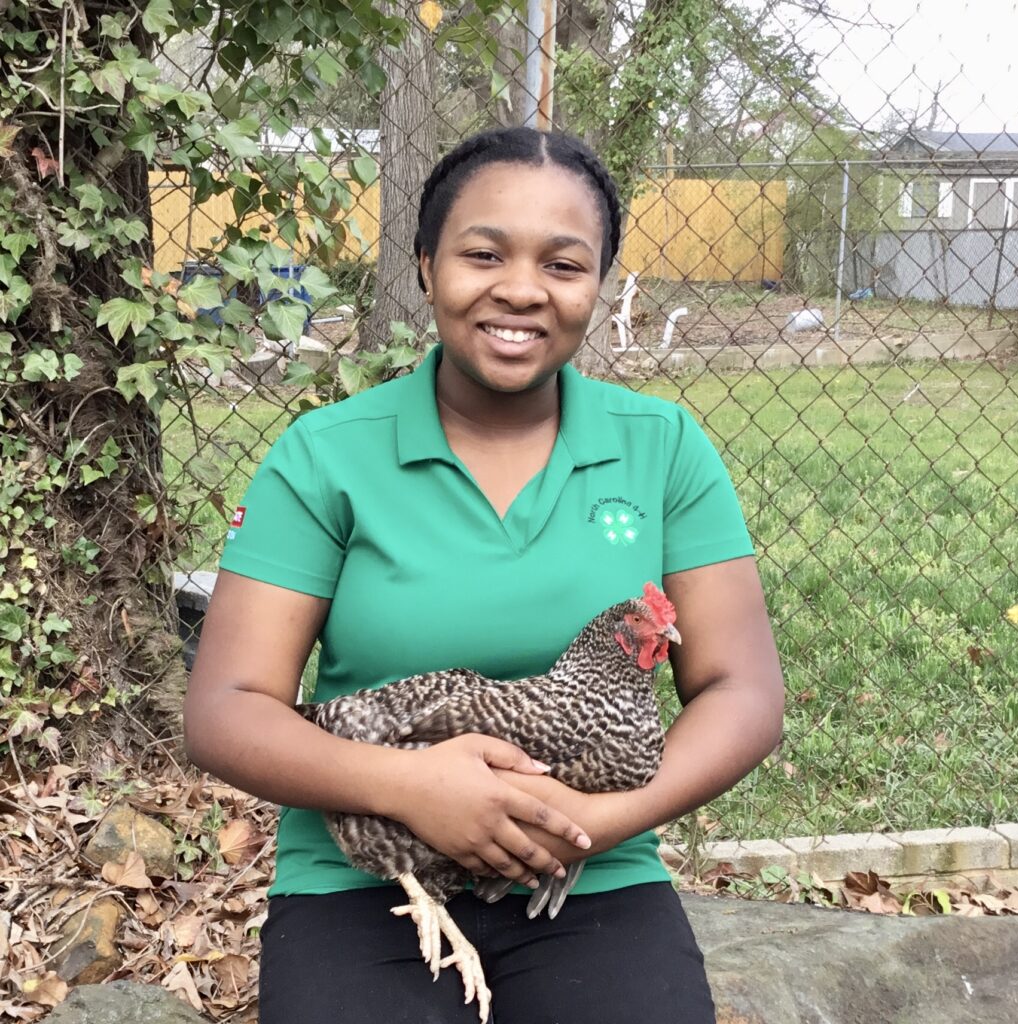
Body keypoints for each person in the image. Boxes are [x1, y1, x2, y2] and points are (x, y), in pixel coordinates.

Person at [184, 126, 785, 1024]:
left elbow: (745, 691)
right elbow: (225, 708)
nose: (521, 290)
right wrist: (414, 789)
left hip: (588, 874)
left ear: (598, 284)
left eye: (564, 264)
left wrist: (599, 820)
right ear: (425, 266)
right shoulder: (325, 456)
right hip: (367, 864)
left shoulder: (663, 449)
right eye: (483, 254)